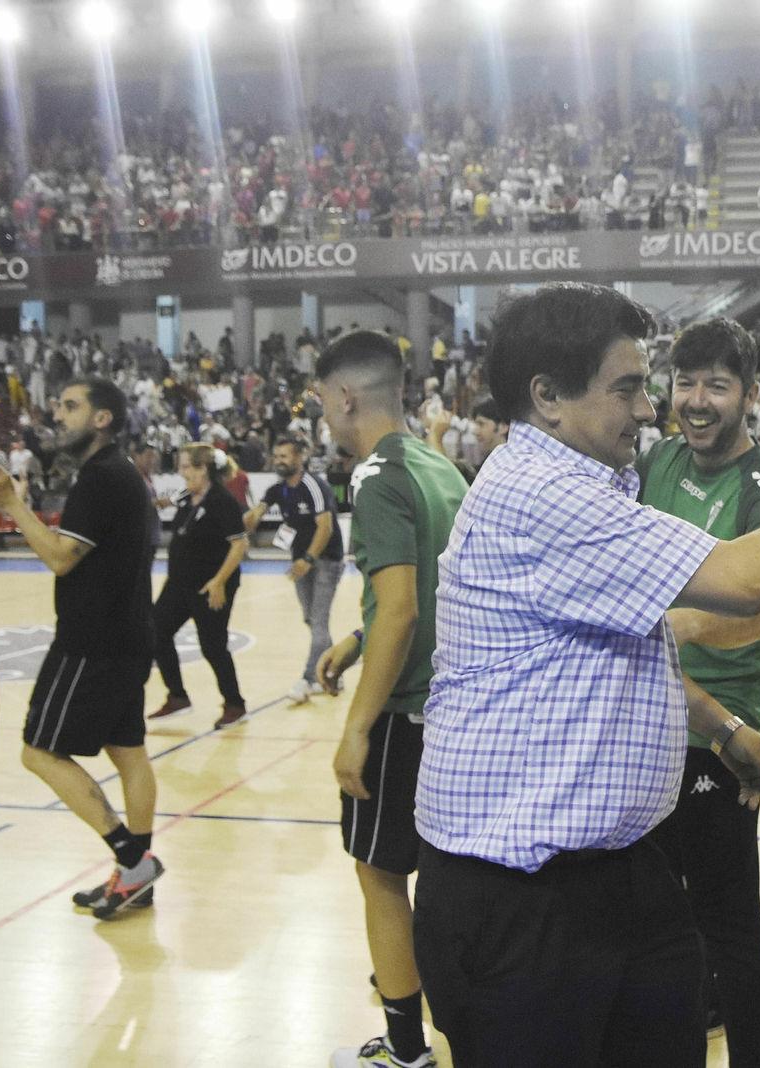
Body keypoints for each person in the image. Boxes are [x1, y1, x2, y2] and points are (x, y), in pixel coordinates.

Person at [410, 282, 760, 1068]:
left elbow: (615, 657)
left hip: (621, 877)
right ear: (548, 397)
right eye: (627, 389)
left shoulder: (591, 484)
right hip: (519, 899)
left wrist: (719, 728)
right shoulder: (543, 495)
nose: (651, 409)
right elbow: (749, 581)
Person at [308, 332, 468, 1068]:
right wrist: (354, 638)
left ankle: (406, 1051)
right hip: (456, 707)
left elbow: (400, 609)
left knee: (379, 876)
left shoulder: (374, 476)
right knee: (442, 881)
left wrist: (356, 727)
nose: (322, 414)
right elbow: (430, 591)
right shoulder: (437, 464)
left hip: (405, 712)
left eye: (321, 400)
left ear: (345, 396)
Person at [637, 317, 760, 1067]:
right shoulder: (659, 457)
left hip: (718, 739)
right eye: (685, 382)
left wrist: (676, 624)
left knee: (730, 928)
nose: (696, 401)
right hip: (647, 720)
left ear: (750, 395)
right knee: (660, 928)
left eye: (717, 386)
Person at [0, 378, 164, 920]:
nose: (58, 415)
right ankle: (135, 878)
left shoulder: (102, 477)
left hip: (92, 643)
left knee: (39, 752)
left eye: (70, 406)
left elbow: (59, 556)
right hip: (129, 635)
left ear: (102, 418)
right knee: (129, 754)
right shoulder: (121, 473)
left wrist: (10, 502)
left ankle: (132, 861)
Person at [147, 444, 250, 730]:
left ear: (203, 469)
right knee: (156, 632)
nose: (181, 472)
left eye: (185, 467)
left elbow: (239, 544)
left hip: (210, 586)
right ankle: (177, 696)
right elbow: (166, 503)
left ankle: (235, 704)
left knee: (213, 646)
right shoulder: (186, 496)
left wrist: (219, 581)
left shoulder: (222, 501)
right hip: (179, 584)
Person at [243, 436, 346, 704]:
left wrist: (308, 559)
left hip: (325, 560)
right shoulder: (278, 490)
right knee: (311, 620)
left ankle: (308, 680)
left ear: (299, 458)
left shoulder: (314, 486)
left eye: (284, 456)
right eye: (276, 456)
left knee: (319, 621)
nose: (278, 461)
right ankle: (334, 671)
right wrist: (247, 520)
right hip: (301, 562)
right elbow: (258, 511)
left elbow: (326, 527)